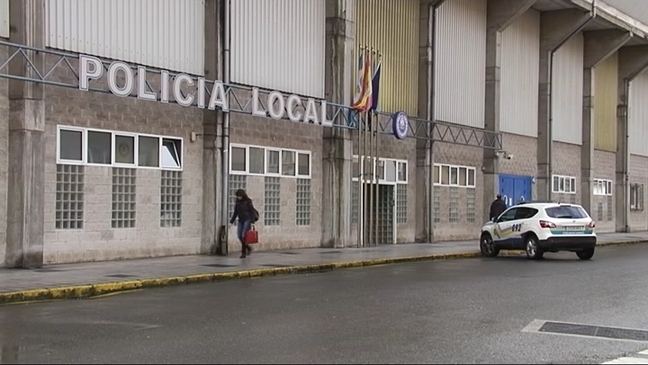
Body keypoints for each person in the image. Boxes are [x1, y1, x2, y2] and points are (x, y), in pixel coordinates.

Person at [230, 189, 258, 258]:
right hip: (240, 220)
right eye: (237, 196)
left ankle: (243, 253)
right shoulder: (238, 202)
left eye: (239, 196)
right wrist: (231, 221)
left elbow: (252, 211)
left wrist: (252, 222)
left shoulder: (248, 201)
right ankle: (248, 248)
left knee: (243, 235)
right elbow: (235, 212)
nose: (238, 197)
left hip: (247, 220)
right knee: (239, 235)